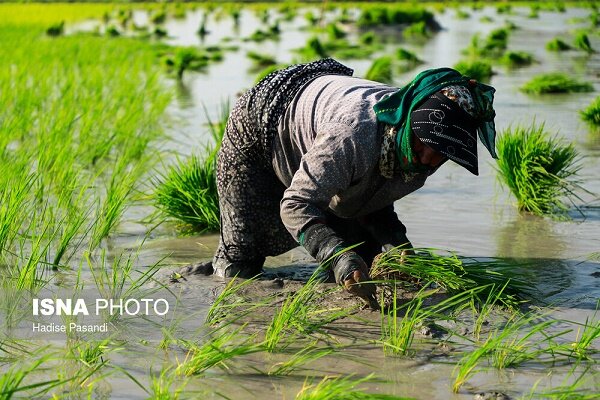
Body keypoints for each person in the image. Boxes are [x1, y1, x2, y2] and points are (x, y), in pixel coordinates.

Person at [185, 58, 497, 305]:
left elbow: (373, 196)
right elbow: (296, 204)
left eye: (441, 151)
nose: (428, 158)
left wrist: (396, 244)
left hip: (324, 130)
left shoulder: (418, 156)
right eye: (422, 142)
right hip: (261, 126)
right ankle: (225, 296)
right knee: (243, 253)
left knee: (370, 260)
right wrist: (336, 256)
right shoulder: (353, 135)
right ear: (408, 123)